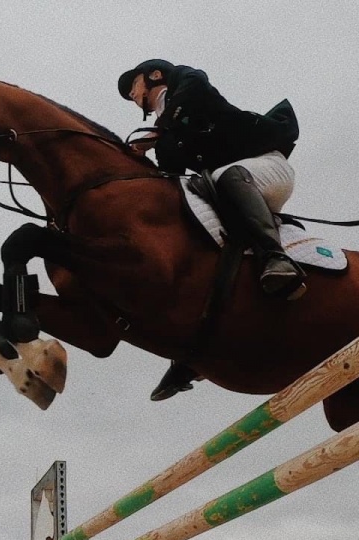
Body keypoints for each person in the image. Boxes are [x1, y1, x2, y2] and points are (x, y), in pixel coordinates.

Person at [117, 59, 307, 400]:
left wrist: (159, 131)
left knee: (225, 176)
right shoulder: (164, 139)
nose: (131, 94)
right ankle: (188, 353)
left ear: (155, 75)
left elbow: (193, 89)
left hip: (265, 167)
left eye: (133, 84)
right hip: (229, 186)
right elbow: (169, 177)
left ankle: (277, 259)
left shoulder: (187, 82)